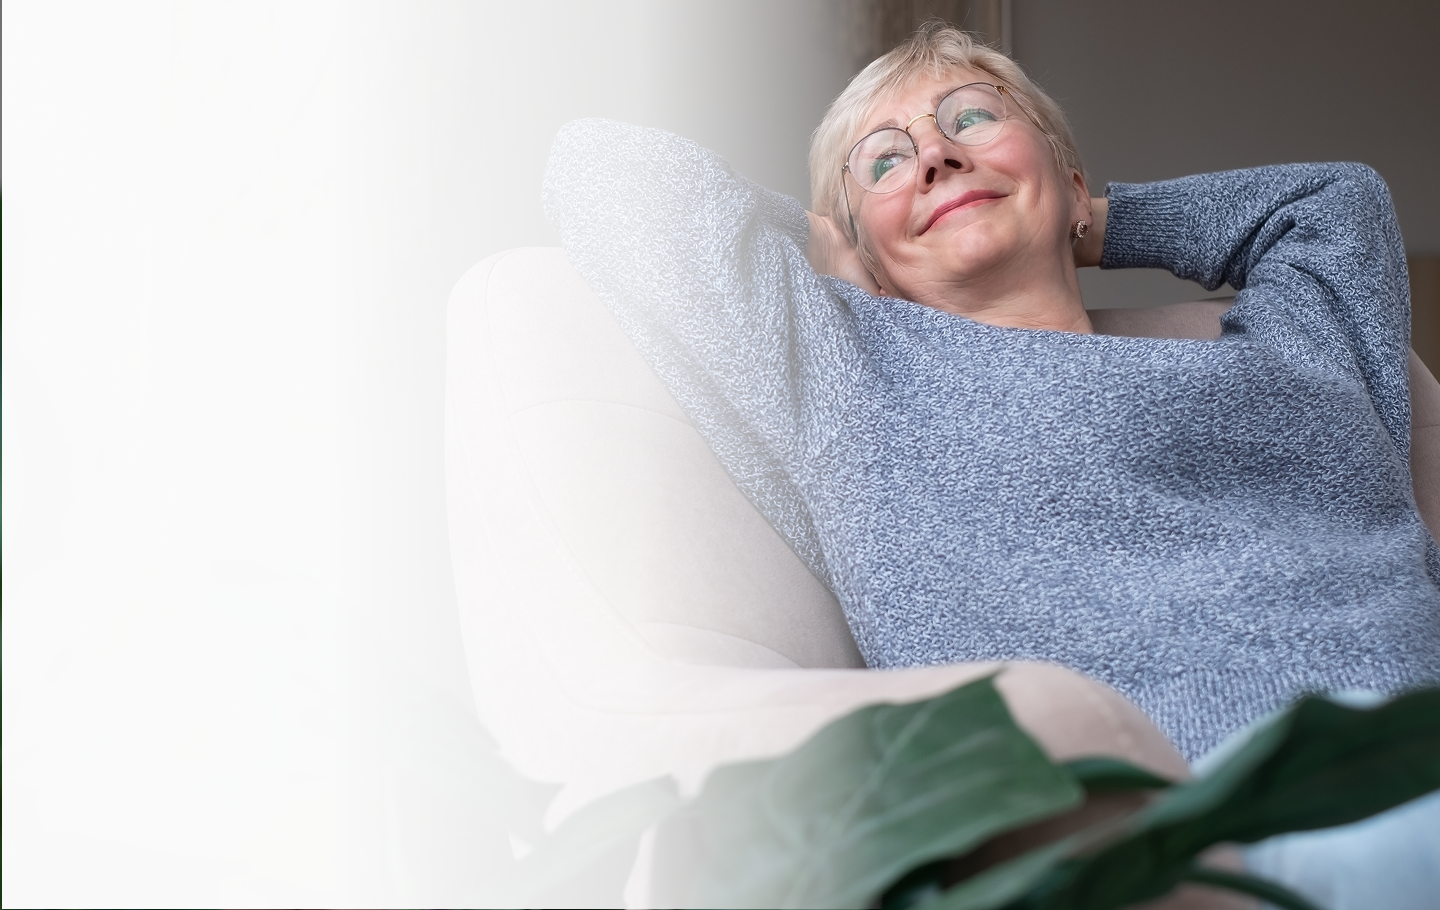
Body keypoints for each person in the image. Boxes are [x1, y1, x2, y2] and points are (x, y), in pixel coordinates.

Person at [542, 21, 1440, 902]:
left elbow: (1336, 203)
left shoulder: (1298, 348)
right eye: (883, 162)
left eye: (972, 118)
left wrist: (1089, 219)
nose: (935, 155)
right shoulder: (851, 376)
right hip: (1208, 823)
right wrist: (832, 249)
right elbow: (599, 172)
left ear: (1072, 179)